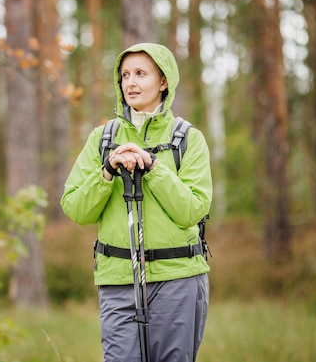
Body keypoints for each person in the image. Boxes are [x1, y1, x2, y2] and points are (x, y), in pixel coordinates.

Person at [61, 42, 212, 362]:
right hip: (117, 280)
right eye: (125, 75)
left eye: (141, 74)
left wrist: (154, 168)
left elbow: (193, 210)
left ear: (163, 81)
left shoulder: (188, 138)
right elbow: (76, 208)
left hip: (178, 278)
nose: (130, 82)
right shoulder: (102, 139)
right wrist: (106, 173)